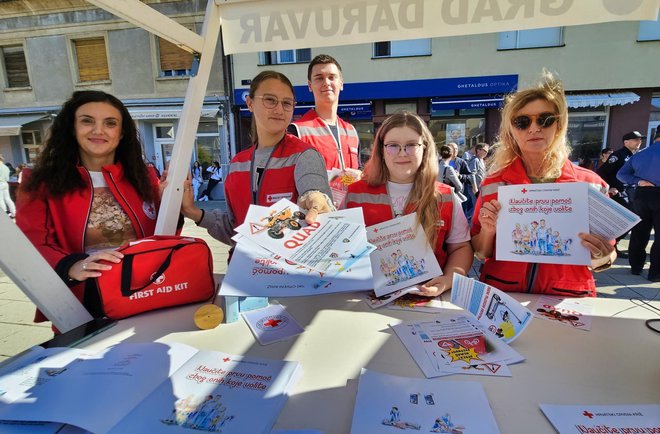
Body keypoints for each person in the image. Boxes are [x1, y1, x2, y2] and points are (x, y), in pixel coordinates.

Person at [16, 90, 163, 322]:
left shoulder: (144, 176)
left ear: (122, 132)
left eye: (110, 123)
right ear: (71, 128)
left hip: (146, 290)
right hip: (82, 300)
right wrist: (70, 265)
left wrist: (178, 208)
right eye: (87, 121)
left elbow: (162, 235)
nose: (98, 130)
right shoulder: (40, 182)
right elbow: (33, 242)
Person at [471, 72, 615, 297]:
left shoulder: (591, 184)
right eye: (522, 122)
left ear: (559, 124)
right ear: (511, 131)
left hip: (568, 298)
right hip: (504, 296)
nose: (534, 128)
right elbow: (480, 251)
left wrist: (603, 256)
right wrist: (489, 231)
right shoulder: (494, 183)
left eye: (545, 119)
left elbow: (608, 253)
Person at [181, 71, 333, 245]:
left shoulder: (304, 156)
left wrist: (317, 198)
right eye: (270, 100)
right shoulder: (237, 163)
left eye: (287, 103)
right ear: (250, 103)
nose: (279, 109)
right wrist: (193, 212)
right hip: (245, 268)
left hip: (287, 270)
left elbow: (315, 192)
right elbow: (235, 229)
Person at [345, 111, 473, 297]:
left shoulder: (445, 196)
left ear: (425, 148)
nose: (402, 153)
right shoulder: (355, 194)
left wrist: (448, 279)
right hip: (365, 299)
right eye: (393, 146)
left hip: (427, 301)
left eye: (411, 145)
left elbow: (461, 248)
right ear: (381, 150)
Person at [289, 54, 360, 172]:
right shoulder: (296, 131)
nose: (326, 82)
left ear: (341, 84)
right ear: (310, 85)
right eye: (319, 78)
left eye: (332, 77)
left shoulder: (352, 131)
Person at [617, 129, 660, 281]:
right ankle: (655, 273)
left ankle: (636, 267)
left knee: (639, 233)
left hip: (641, 194)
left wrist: (638, 181)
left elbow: (621, 174)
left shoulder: (641, 154)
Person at [597, 131, 645, 257]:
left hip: (628, 191)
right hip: (617, 192)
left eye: (640, 140)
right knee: (631, 218)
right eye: (636, 140)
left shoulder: (633, 155)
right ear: (626, 142)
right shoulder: (618, 155)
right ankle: (611, 244)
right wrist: (610, 187)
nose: (639, 142)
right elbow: (601, 172)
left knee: (630, 218)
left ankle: (612, 245)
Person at [0, 154, 16, 218]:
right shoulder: (6, 167)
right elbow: (7, 178)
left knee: (1, 200)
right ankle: (14, 213)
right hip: (5, 183)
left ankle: (5, 214)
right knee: (8, 199)